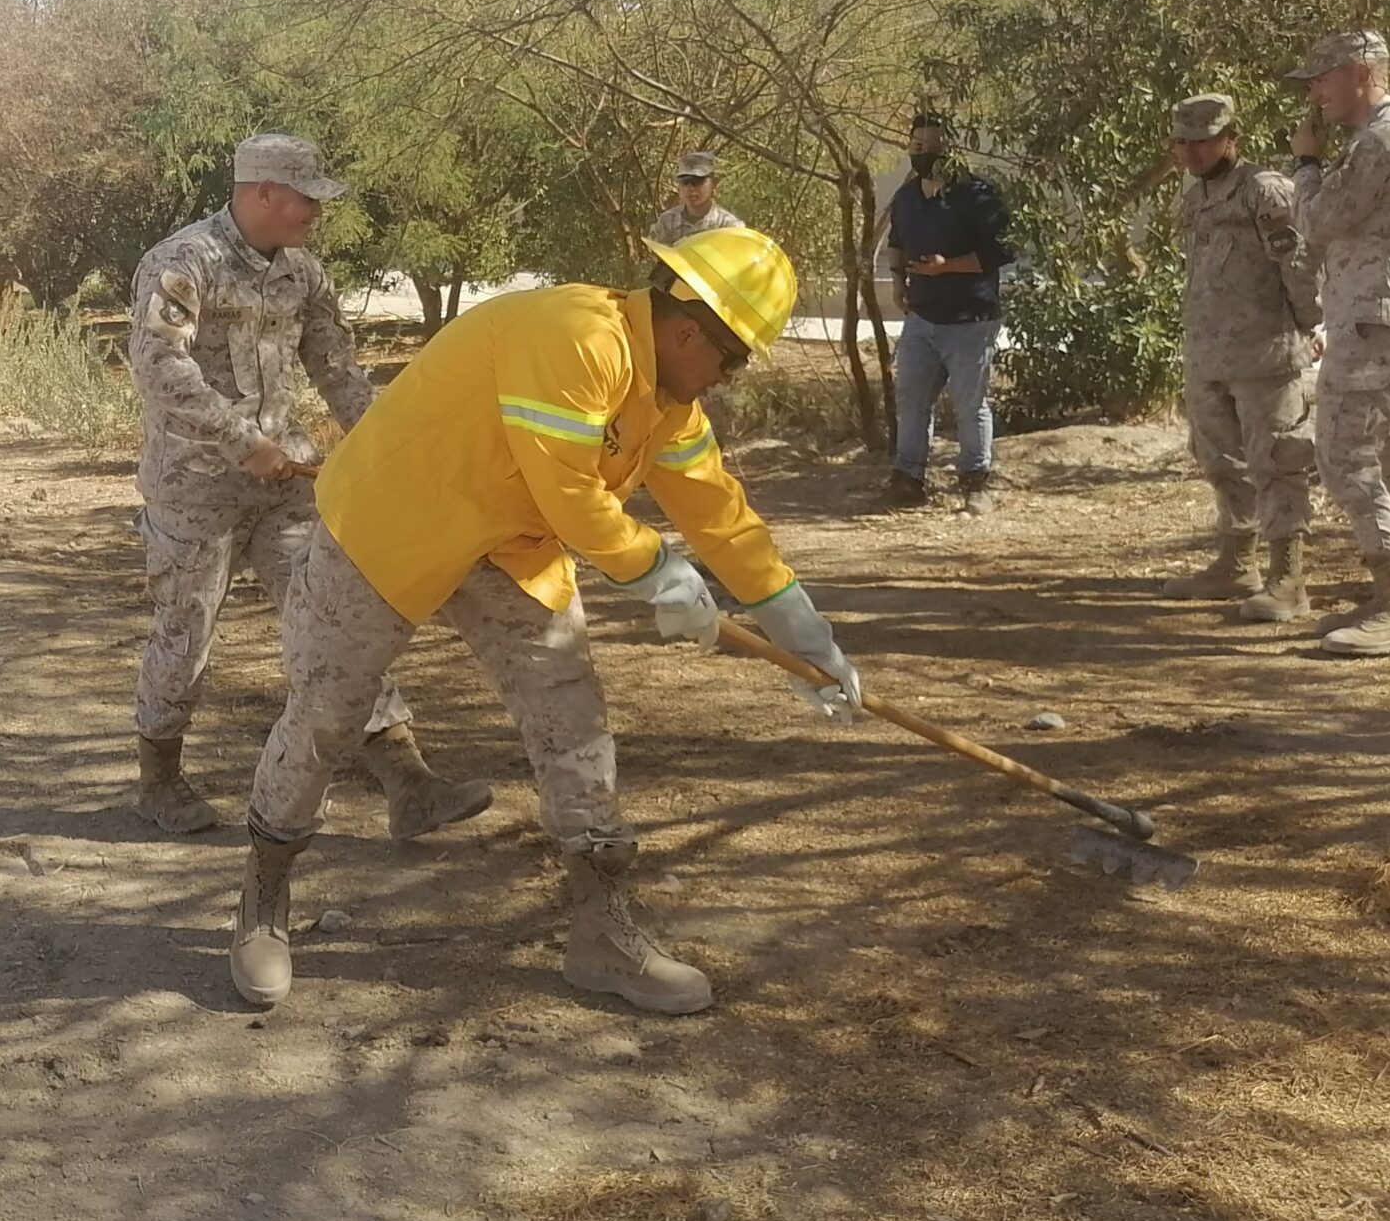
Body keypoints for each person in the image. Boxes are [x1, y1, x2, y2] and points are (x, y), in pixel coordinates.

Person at [227, 226, 866, 1018]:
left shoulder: (666, 403)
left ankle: (602, 928)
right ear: (690, 329)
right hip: (391, 522)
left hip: (509, 542)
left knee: (572, 713)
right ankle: (266, 889)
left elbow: (724, 520)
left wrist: (808, 639)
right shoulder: (578, 336)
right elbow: (573, 496)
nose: (726, 380)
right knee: (327, 710)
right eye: (730, 361)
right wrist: (659, 571)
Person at [128, 133, 490, 838]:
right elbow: (160, 369)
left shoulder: (305, 273)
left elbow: (336, 368)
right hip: (194, 486)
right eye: (307, 199)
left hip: (286, 483)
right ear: (264, 193)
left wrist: (393, 446)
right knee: (186, 631)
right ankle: (159, 779)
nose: (316, 213)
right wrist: (242, 441)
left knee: (333, 618)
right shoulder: (182, 264)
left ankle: (407, 781)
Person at [1287, 30, 1390, 656]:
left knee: (1343, 451)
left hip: (1378, 315)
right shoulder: (1385, 136)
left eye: (1321, 79)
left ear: (1359, 74)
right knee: (1387, 454)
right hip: (1388, 312)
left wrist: (1305, 164)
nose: (1314, 93)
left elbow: (1319, 223)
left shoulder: (1383, 139)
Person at [1159, 94, 1323, 620]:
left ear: (1232, 139)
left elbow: (1299, 266)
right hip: (1209, 356)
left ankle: (1288, 579)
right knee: (1220, 463)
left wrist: (1309, 324)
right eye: (1184, 142)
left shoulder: (1266, 191)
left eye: (1204, 140)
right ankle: (1236, 565)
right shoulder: (1196, 198)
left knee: (1277, 463)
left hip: (1266, 356)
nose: (1193, 151)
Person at [884, 113, 1016, 514]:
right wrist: (898, 283)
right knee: (911, 399)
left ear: (951, 150)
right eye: (917, 147)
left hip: (969, 320)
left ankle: (976, 482)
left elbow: (1002, 251)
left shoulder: (977, 195)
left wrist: (948, 265)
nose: (924, 155)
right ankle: (908, 477)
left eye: (934, 148)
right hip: (922, 317)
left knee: (970, 404)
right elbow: (896, 242)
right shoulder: (907, 198)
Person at [647, 150, 745, 244]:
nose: (691, 188)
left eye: (697, 181)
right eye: (685, 182)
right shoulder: (666, 223)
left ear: (713, 184)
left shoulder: (729, 227)